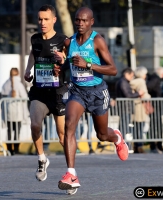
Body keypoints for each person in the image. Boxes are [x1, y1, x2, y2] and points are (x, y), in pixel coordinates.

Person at [53, 7, 129, 193]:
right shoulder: (69, 42)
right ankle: (71, 174)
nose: (80, 24)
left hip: (97, 92)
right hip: (77, 91)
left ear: (91, 22)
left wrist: (88, 64)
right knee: (69, 125)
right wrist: (60, 69)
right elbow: (67, 67)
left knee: (102, 135)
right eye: (77, 20)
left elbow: (113, 69)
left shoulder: (97, 40)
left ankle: (117, 137)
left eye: (84, 21)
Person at [24, 4, 67, 183]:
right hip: (39, 90)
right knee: (35, 125)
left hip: (58, 92)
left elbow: (68, 60)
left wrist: (62, 60)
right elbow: (33, 55)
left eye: (46, 19)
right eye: (40, 19)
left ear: (54, 20)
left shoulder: (63, 39)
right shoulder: (34, 39)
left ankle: (71, 172)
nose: (42, 22)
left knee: (62, 135)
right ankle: (42, 159)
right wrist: (28, 70)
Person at [1, 68, 29, 155]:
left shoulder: (6, 84)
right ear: (18, 74)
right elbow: (24, 96)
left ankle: (9, 149)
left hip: (8, 112)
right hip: (18, 112)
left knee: (9, 131)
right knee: (17, 131)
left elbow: (2, 94)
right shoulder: (19, 84)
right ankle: (16, 149)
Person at [116, 68, 144, 141]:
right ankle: (121, 143)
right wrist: (138, 93)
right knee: (123, 127)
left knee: (123, 126)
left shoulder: (123, 81)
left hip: (125, 107)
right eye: (131, 75)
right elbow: (128, 95)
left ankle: (121, 142)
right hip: (125, 108)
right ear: (126, 74)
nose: (132, 77)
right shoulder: (123, 82)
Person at [130, 66, 151, 153]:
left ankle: (136, 145)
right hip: (141, 106)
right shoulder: (141, 82)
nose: (145, 76)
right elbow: (144, 94)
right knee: (141, 127)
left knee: (136, 127)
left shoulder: (133, 81)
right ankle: (140, 146)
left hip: (135, 105)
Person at [146, 67, 163, 153]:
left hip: (156, 104)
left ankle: (157, 145)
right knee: (156, 126)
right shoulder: (155, 78)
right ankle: (155, 145)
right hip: (155, 105)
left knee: (157, 126)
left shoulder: (154, 78)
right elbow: (149, 87)